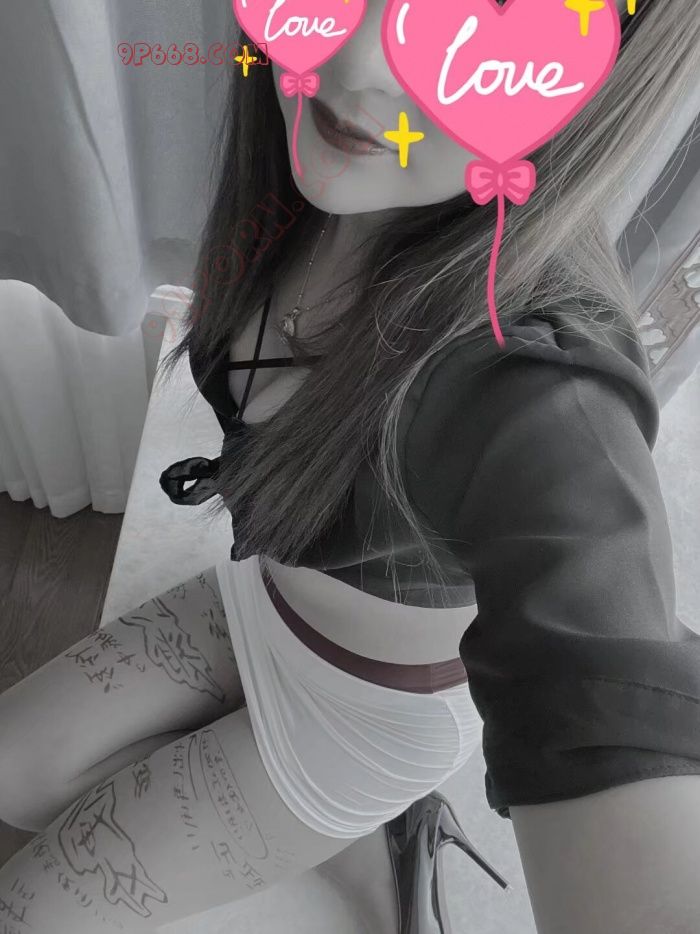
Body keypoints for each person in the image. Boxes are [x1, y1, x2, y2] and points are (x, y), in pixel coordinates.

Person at [2, 1, 700, 932]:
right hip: (262, 601)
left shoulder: (533, 379)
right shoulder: (307, 160)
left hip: (365, 716)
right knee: (16, 776)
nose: (357, 58)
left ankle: (384, 844)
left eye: (482, 14)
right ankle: (366, 834)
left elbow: (605, 667)